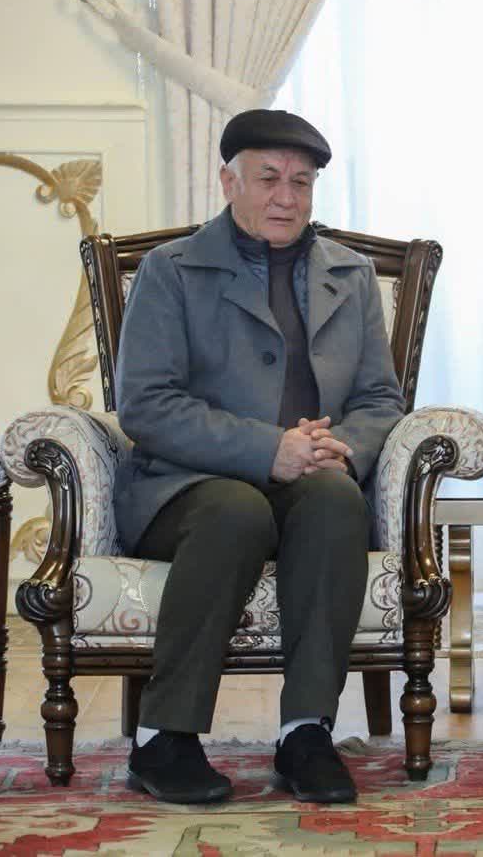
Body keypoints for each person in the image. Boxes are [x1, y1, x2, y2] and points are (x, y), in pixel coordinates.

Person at [114, 109, 406, 804]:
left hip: (308, 479)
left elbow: (379, 399)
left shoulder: (350, 275)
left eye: (300, 183)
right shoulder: (171, 270)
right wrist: (266, 448)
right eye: (269, 178)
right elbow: (146, 404)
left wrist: (342, 449)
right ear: (229, 182)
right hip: (187, 486)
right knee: (236, 510)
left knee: (336, 499)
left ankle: (306, 735)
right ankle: (163, 740)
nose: (286, 197)